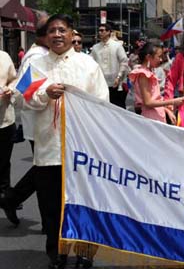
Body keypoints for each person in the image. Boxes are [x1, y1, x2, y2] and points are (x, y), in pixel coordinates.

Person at [23, 14, 109, 269]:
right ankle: (57, 253)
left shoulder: (88, 65)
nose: (57, 35)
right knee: (51, 207)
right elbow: (22, 99)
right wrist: (43, 94)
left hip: (82, 150)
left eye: (62, 30)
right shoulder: (34, 65)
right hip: (49, 149)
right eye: (52, 31)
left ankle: (84, 252)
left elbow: (102, 104)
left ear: (72, 34)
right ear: (45, 36)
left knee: (84, 203)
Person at [0, 13, 49, 229]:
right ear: (43, 36)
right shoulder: (36, 58)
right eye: (54, 32)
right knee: (46, 170)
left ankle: (11, 197)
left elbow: (13, 81)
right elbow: (24, 90)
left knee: (46, 169)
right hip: (39, 123)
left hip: (46, 123)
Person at [128, 41, 184, 123]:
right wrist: (173, 101)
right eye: (159, 57)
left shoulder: (148, 72)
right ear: (148, 57)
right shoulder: (143, 74)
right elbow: (148, 102)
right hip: (151, 117)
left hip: (156, 115)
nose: (161, 60)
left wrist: (166, 110)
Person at [91, 23, 129, 108]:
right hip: (101, 84)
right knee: (104, 108)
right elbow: (91, 63)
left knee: (118, 108)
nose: (100, 33)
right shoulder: (95, 48)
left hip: (116, 83)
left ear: (108, 32)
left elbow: (124, 62)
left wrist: (119, 77)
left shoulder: (117, 46)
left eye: (102, 30)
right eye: (99, 31)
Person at [0, 50, 18, 225]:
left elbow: (14, 79)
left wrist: (10, 90)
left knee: (4, 161)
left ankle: (6, 197)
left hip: (5, 119)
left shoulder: (4, 57)